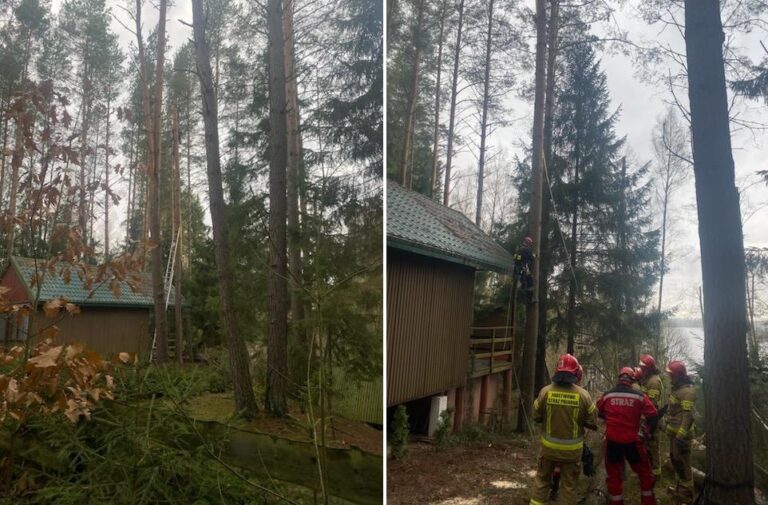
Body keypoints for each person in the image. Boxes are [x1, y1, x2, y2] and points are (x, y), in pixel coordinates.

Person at [530, 354, 597, 505]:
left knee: (542, 481)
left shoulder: (545, 392)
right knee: (568, 486)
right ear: (576, 373)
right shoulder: (584, 395)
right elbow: (592, 422)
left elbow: (536, 416)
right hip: (572, 452)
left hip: (548, 449)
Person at [596, 367, 659, 505]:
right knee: (644, 474)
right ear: (632, 380)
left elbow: (598, 411)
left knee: (614, 476)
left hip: (613, 442)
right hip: (633, 442)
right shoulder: (639, 396)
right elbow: (653, 415)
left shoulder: (608, 395)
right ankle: (648, 501)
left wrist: (610, 418)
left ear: (619, 378)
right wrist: (647, 430)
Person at [665, 360, 696, 504]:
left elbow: (688, 416)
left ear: (678, 375)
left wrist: (680, 435)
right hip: (674, 434)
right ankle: (679, 489)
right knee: (675, 460)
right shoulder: (677, 390)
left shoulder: (687, 392)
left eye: (671, 375)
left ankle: (687, 494)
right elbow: (674, 411)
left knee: (683, 463)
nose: (670, 377)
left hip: (681, 437)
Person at [637, 354, 664, 479]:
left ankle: (655, 474)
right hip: (646, 419)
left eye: (644, 368)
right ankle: (647, 471)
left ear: (649, 368)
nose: (641, 370)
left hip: (652, 420)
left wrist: (645, 420)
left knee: (653, 446)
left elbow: (651, 405)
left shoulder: (653, 382)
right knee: (646, 446)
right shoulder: (647, 379)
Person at [513, 236, 535, 304]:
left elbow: (516, 258)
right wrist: (534, 256)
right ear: (528, 243)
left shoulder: (518, 248)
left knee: (521, 283)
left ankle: (520, 298)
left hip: (517, 269)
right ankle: (529, 299)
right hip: (523, 269)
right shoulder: (527, 250)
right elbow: (532, 259)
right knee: (530, 283)